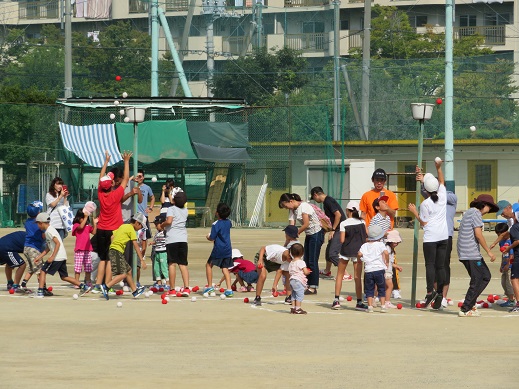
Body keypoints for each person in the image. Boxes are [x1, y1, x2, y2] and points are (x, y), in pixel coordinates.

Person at [408, 161, 448, 310]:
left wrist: (414, 212)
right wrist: (439, 168)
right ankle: (439, 293)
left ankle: (430, 291)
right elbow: (442, 180)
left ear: (425, 189)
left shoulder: (425, 204)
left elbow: (423, 223)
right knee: (441, 266)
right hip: (443, 236)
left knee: (430, 265)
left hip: (431, 238)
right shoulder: (443, 195)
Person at [92, 150, 132, 293]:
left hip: (101, 229)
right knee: (110, 259)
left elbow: (100, 179)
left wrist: (106, 162)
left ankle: (98, 284)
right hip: (113, 230)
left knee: (103, 258)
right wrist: (126, 161)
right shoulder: (116, 194)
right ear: (111, 184)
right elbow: (126, 179)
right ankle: (107, 285)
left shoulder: (100, 193)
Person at [31, 212, 91, 298]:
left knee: (43, 271)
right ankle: (84, 286)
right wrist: (39, 257)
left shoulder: (49, 231)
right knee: (64, 276)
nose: (37, 226)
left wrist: (52, 257)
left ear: (41, 223)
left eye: (37, 224)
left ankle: (40, 292)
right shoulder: (49, 230)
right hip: (62, 256)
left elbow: (58, 243)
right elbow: (48, 248)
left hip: (57, 257)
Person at [457, 194, 497, 317]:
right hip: (470, 253)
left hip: (467, 252)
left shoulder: (469, 212)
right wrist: (488, 252)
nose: (489, 210)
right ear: (484, 205)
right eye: (489, 207)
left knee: (485, 276)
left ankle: (471, 303)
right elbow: (478, 235)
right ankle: (465, 309)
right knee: (478, 278)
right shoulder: (476, 214)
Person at [279, 193, 324, 294]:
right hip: (309, 234)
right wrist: (288, 240)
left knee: (312, 260)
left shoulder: (304, 206)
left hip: (316, 234)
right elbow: (291, 227)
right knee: (306, 260)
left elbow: (306, 223)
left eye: (286, 206)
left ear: (291, 201)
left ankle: (313, 287)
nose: (286, 208)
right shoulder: (292, 210)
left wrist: (296, 233)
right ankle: (306, 284)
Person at [99, 213, 147, 300]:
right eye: (141, 226)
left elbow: (113, 236)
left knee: (128, 270)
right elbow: (136, 245)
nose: (140, 228)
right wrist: (142, 260)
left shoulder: (123, 226)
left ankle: (135, 291)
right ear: (137, 223)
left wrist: (114, 244)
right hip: (117, 251)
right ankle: (106, 286)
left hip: (114, 250)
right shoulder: (131, 229)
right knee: (123, 274)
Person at [251, 226, 300, 306]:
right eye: (290, 259)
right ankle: (257, 297)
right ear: (288, 256)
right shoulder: (277, 250)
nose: (290, 261)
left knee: (288, 274)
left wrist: (275, 285)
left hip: (275, 261)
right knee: (263, 275)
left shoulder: (288, 258)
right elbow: (263, 248)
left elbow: (279, 271)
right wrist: (260, 260)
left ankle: (289, 297)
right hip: (263, 258)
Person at [332, 201, 368, 311]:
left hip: (345, 251)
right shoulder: (362, 222)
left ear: (348, 211)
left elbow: (342, 240)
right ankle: (359, 301)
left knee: (340, 275)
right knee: (358, 277)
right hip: (358, 252)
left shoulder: (344, 223)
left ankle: (336, 300)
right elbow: (366, 235)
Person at [310, 187, 348, 280]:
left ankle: (346, 273)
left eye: (313, 198)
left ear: (315, 194)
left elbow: (338, 215)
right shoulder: (326, 201)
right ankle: (327, 271)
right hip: (336, 229)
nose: (315, 200)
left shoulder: (328, 201)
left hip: (340, 229)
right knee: (328, 250)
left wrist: (333, 230)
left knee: (332, 254)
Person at [161, 191, 190, 296]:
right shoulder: (185, 210)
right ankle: (186, 288)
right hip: (183, 239)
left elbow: (169, 221)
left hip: (172, 238)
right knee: (183, 264)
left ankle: (172, 289)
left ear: (173, 200)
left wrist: (162, 225)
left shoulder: (171, 209)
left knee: (172, 264)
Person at [204, 202, 234, 297]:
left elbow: (212, 237)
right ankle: (229, 289)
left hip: (219, 248)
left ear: (217, 213)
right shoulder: (229, 222)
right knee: (225, 268)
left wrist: (208, 237)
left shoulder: (215, 224)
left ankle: (209, 286)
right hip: (228, 248)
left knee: (209, 265)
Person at [357, 224, 389, 313]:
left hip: (368, 270)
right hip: (379, 269)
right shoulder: (380, 244)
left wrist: (360, 260)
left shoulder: (364, 245)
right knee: (381, 288)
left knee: (369, 289)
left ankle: (370, 306)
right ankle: (383, 306)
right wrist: (387, 261)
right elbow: (386, 253)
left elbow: (359, 254)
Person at [19, 201, 46, 294]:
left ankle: (23, 284)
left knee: (31, 268)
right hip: (33, 249)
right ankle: (42, 288)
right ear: (38, 213)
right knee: (40, 269)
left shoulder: (27, 222)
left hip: (26, 248)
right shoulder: (37, 224)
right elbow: (43, 236)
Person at [71, 207, 97, 287]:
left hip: (87, 249)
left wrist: (94, 222)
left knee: (88, 267)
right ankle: (76, 282)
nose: (84, 219)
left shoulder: (87, 226)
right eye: (82, 217)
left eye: (84, 217)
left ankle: (88, 281)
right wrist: (86, 217)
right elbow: (81, 227)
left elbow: (94, 232)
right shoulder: (76, 225)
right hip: (79, 249)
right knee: (78, 267)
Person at [494, 223, 515, 307]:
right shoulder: (502, 242)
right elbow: (503, 254)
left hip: (511, 265)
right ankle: (510, 298)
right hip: (505, 265)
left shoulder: (511, 241)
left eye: (501, 234)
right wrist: (502, 264)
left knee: (509, 283)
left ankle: (512, 300)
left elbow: (511, 255)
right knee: (504, 282)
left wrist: (509, 264)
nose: (500, 236)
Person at [134, 169, 155, 243]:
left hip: (143, 214)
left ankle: (142, 254)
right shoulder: (132, 186)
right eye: (137, 176)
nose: (138, 178)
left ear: (143, 177)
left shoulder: (147, 188)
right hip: (134, 214)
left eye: (140, 176)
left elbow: (152, 198)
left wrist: (150, 208)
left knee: (144, 236)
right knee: (134, 235)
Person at [288, 243, 310, 314]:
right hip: (298, 280)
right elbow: (305, 272)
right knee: (299, 294)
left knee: (294, 294)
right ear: (302, 253)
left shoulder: (291, 262)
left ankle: (293, 307)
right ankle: (298, 308)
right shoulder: (301, 262)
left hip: (292, 280)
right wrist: (308, 271)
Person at [384, 230, 403, 309]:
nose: (396, 244)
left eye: (397, 242)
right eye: (394, 242)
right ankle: (387, 302)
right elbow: (386, 260)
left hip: (388, 270)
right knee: (390, 286)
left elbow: (391, 262)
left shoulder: (390, 249)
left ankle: (382, 300)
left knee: (385, 286)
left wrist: (396, 266)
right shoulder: (387, 249)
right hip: (386, 271)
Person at [150, 215, 169, 289]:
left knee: (164, 268)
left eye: (156, 224)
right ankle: (159, 282)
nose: (156, 226)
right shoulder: (157, 233)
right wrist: (153, 243)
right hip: (157, 252)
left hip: (163, 252)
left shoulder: (166, 232)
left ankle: (167, 283)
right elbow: (156, 241)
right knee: (156, 268)